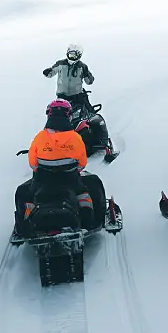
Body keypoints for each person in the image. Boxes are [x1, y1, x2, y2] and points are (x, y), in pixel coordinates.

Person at [14, 99, 104, 235]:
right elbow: (82, 164)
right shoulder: (75, 138)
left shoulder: (39, 138)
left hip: (42, 183)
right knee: (88, 189)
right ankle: (90, 222)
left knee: (24, 193)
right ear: (68, 115)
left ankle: (25, 226)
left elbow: (33, 164)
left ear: (49, 115)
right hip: (71, 181)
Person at [43, 44, 95, 118]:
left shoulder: (82, 66)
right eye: (70, 55)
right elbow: (51, 72)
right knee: (60, 116)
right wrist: (47, 72)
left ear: (79, 55)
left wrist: (88, 75)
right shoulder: (60, 64)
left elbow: (89, 82)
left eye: (74, 56)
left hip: (76, 97)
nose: (71, 57)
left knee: (80, 115)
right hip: (62, 96)